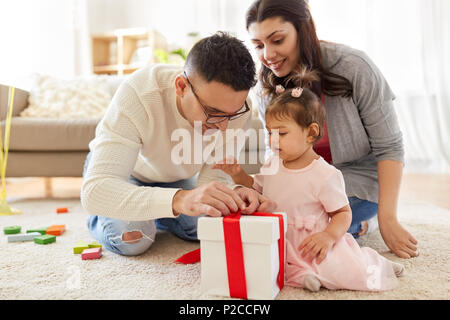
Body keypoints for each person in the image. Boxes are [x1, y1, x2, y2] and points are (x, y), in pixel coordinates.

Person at [244, 0, 418, 259]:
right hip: (300, 177)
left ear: (302, 31)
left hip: (355, 179)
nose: (267, 55)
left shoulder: (354, 66)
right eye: (258, 45)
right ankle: (350, 229)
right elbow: (277, 152)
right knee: (280, 211)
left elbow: (389, 146)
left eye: (277, 40)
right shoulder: (266, 86)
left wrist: (388, 219)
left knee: (319, 214)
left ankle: (358, 223)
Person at [81, 32, 276, 256]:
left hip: (176, 180)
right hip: (128, 175)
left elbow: (213, 178)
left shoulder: (239, 109)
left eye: (231, 115)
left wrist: (235, 192)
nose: (223, 126)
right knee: (134, 239)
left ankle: (161, 211)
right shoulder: (139, 92)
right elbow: (97, 191)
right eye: (212, 112)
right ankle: (104, 219)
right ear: (181, 86)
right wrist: (180, 199)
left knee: (210, 226)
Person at [213, 69, 404, 291]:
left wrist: (328, 236)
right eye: (269, 133)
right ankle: (303, 275)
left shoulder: (324, 174)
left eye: (282, 133)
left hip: (312, 239)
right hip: (280, 236)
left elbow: (342, 213)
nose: (274, 140)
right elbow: (255, 191)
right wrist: (237, 173)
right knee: (264, 265)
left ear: (311, 133)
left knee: (343, 269)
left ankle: (374, 263)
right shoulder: (272, 164)